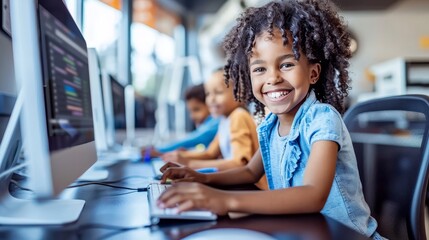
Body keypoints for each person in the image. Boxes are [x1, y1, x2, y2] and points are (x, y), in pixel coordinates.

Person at [157, 0, 383, 238]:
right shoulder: (270, 125)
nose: (273, 78)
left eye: (286, 64)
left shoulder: (322, 119)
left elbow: (313, 195)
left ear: (313, 73)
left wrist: (226, 200)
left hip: (347, 235)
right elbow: (248, 173)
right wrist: (203, 178)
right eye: (259, 69)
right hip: (303, 231)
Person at [161, 70, 265, 183]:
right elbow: (210, 153)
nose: (211, 99)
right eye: (208, 94)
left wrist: (189, 164)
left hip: (253, 186)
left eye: (218, 92)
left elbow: (239, 163)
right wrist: (181, 157)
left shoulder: (238, 116)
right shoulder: (225, 119)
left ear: (239, 93)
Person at [142, 83, 220, 158]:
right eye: (190, 111)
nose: (192, 116)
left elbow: (193, 139)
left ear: (210, 104)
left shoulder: (216, 122)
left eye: (196, 110)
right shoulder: (208, 124)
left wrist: (159, 150)